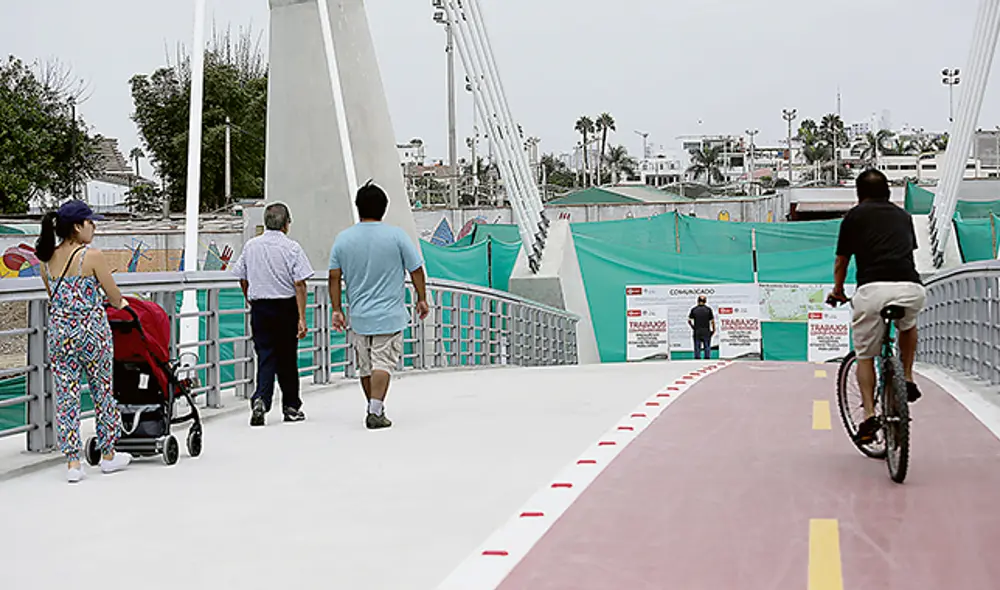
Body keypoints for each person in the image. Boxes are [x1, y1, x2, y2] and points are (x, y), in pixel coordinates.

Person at [36, 200, 132, 483]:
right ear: (77, 226)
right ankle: (108, 454)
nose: (94, 227)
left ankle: (72, 463)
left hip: (60, 335)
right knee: (102, 391)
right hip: (92, 335)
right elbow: (114, 297)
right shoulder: (91, 256)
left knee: (66, 396)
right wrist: (122, 302)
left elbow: (55, 297)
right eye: (91, 222)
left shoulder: (46, 258)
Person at [828, 169, 926, 444]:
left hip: (872, 291)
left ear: (859, 194)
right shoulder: (903, 217)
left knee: (865, 355)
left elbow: (842, 262)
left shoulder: (854, 216)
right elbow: (907, 253)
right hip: (910, 288)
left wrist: (837, 291)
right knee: (908, 325)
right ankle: (906, 377)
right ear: (888, 192)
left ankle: (869, 417)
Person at [328, 181, 430, 429]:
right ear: (384, 208)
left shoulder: (343, 239)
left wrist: (337, 309)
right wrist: (421, 297)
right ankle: (375, 409)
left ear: (358, 207)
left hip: (359, 315)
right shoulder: (396, 236)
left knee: (366, 366)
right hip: (390, 314)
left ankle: (375, 406)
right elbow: (416, 269)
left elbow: (334, 276)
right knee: (382, 363)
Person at [230, 203, 313, 427]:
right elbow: (300, 283)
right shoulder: (292, 247)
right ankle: (291, 406)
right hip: (285, 306)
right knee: (287, 358)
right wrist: (301, 316)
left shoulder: (251, 246)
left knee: (265, 355)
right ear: (287, 224)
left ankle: (260, 399)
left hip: (260, 307)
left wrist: (249, 296)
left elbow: (242, 275)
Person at [688, 296, 715, 360]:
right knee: (707, 346)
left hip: (697, 331)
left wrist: (693, 327)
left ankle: (697, 359)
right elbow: (712, 321)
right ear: (705, 301)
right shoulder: (708, 309)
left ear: (698, 301)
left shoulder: (694, 309)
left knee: (697, 346)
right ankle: (707, 358)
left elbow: (689, 320)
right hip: (706, 330)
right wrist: (713, 329)